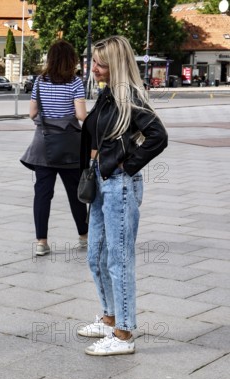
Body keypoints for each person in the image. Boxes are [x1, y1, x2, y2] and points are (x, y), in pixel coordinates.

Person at [77, 36, 167, 356]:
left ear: (115, 64)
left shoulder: (128, 96)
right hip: (102, 183)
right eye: (94, 62)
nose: (94, 68)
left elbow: (158, 136)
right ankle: (109, 317)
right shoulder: (107, 95)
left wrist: (127, 165)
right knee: (96, 256)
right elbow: (93, 132)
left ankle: (124, 333)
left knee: (118, 259)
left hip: (120, 186)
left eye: (101, 63)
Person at [20, 40, 88, 257]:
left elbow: (32, 113)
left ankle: (42, 242)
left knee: (42, 194)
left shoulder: (39, 82)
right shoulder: (76, 83)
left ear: (50, 59)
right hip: (69, 146)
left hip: (43, 145)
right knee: (76, 193)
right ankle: (84, 237)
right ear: (71, 60)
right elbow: (81, 116)